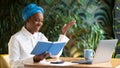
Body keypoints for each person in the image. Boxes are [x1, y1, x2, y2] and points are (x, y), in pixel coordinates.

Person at [8, 3, 76, 68]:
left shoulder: (40, 36)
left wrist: (63, 33)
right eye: (37, 20)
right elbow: (13, 65)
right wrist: (34, 59)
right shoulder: (16, 39)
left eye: (42, 21)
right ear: (28, 20)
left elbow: (55, 54)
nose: (40, 24)